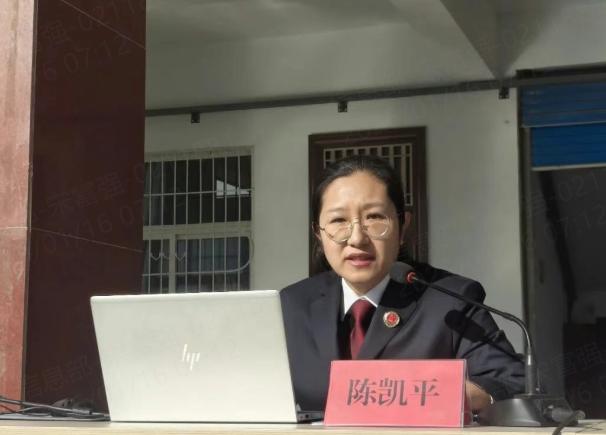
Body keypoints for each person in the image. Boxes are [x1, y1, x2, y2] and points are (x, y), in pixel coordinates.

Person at [280, 155, 525, 412]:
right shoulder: (292, 305)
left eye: (374, 217)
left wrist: (424, 394)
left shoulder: (450, 300)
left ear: (403, 225)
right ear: (318, 233)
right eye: (339, 221)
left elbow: (512, 382)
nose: (357, 238)